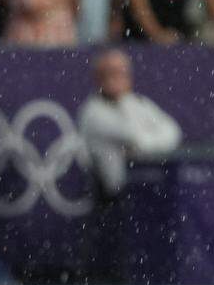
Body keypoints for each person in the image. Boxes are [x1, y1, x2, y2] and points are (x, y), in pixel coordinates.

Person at [78, 49, 182, 199]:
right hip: (113, 196)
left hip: (149, 190)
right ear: (99, 78)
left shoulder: (138, 103)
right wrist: (147, 136)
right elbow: (132, 135)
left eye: (122, 72)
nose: (117, 78)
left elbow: (173, 132)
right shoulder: (93, 112)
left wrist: (141, 145)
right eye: (111, 73)